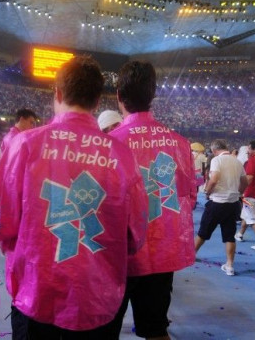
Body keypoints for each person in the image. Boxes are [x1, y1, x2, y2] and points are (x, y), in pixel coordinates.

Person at [0, 56, 148, 338]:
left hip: (36, 290)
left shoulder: (25, 144)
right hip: (96, 295)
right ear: (97, 102)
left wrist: (15, 245)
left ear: (57, 94)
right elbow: (135, 235)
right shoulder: (121, 155)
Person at [107, 61, 196, 339]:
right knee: (156, 330)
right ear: (153, 94)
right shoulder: (179, 143)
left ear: (119, 96)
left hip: (119, 255)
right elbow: (189, 198)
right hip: (161, 254)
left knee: (105, 332)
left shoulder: (109, 143)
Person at [195, 139, 247, 276]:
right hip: (233, 203)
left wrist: (207, 191)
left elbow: (214, 178)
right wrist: (239, 192)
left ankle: (191, 254)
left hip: (217, 202)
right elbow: (245, 181)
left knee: (203, 231)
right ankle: (230, 265)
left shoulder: (217, 160)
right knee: (230, 235)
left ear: (213, 150)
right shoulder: (237, 161)